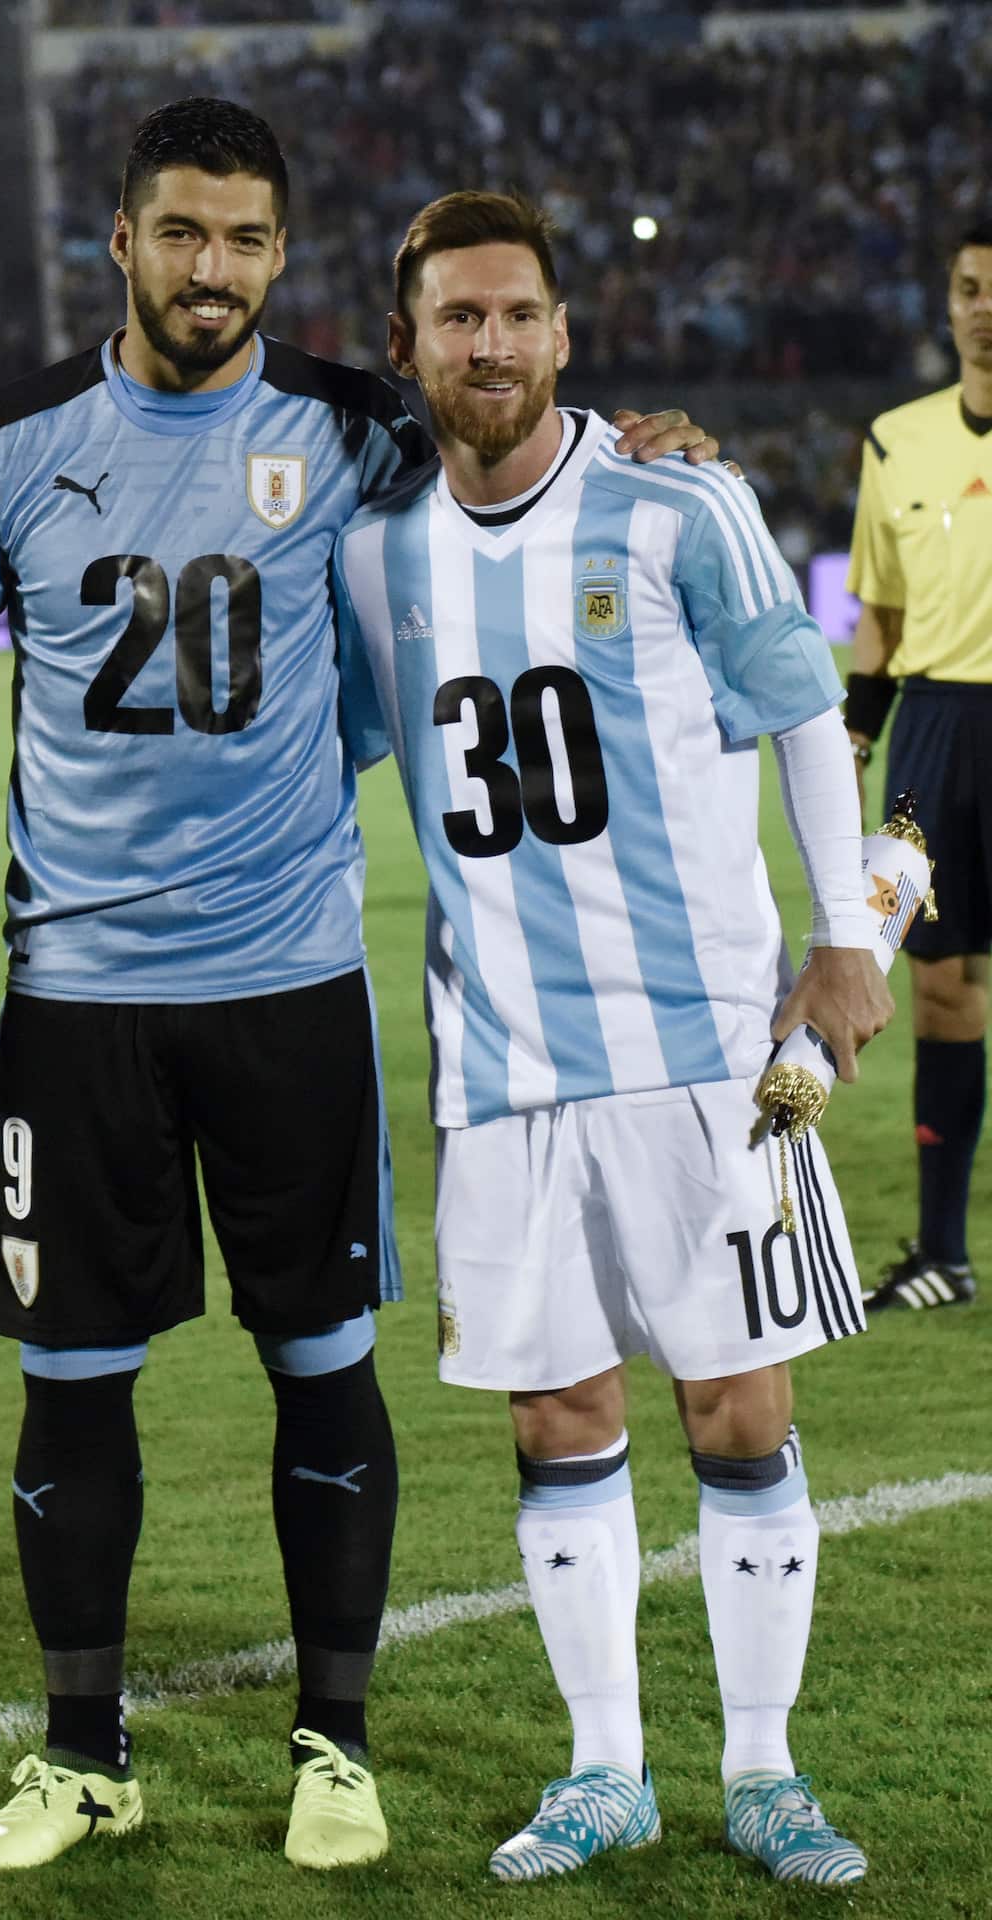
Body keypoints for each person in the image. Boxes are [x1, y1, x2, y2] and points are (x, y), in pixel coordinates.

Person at [0, 99, 721, 1877]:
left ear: (285, 260)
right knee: (72, 1380)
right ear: (119, 243)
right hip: (77, 996)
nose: (214, 270)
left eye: (248, 241)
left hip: (288, 987)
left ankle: (334, 1744)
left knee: (323, 1366)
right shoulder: (10, 443)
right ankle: (80, 1756)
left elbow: (519, 444)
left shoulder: (355, 429)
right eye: (183, 234)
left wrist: (640, 439)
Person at [333, 191, 893, 1890]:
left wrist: (847, 940)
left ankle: (764, 1772)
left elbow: (799, 707)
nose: (489, 343)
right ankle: (605, 1772)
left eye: (517, 314)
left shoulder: (677, 500)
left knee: (736, 1406)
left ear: (563, 333)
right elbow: (336, 741)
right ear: (410, 343)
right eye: (456, 319)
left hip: (709, 1048)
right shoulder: (374, 551)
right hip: (501, 1064)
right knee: (558, 1417)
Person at [846, 220, 992, 1314]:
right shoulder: (893, 440)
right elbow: (878, 618)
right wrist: (851, 741)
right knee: (941, 986)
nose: (982, 306)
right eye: (966, 287)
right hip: (933, 729)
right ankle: (941, 1251)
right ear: (945, 305)